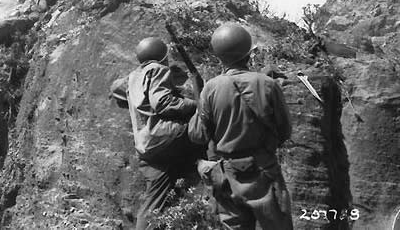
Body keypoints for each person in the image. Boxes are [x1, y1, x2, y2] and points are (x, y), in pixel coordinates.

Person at [188, 23, 293, 230]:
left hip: (228, 177)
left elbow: (197, 135)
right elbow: (285, 130)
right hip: (264, 171)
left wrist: (199, 103)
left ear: (218, 56)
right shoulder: (267, 84)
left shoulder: (211, 88)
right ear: (249, 53)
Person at [112, 37, 203, 230]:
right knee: (205, 125)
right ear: (163, 57)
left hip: (147, 147)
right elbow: (163, 103)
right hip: (168, 137)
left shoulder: (133, 77)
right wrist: (195, 105)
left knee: (153, 201)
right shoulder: (159, 70)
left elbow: (115, 88)